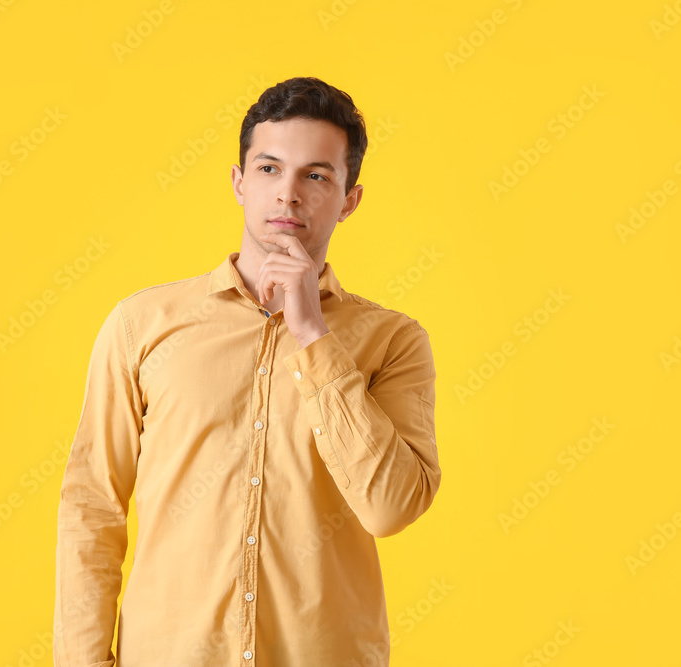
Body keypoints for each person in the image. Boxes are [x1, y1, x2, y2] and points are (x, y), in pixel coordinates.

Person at [53, 76, 441, 666]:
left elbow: (390, 507)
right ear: (238, 182)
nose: (287, 195)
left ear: (350, 199)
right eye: (268, 169)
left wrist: (313, 335)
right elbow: (92, 507)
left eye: (316, 176)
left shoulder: (393, 342)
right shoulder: (142, 325)